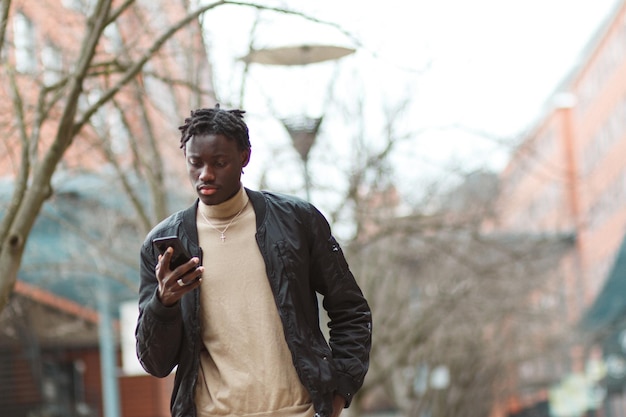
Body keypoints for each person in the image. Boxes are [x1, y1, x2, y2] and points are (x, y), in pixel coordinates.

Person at [135, 104, 372, 417]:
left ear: (244, 157)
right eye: (196, 163)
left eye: (219, 163)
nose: (205, 174)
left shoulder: (296, 222)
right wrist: (162, 305)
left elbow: (350, 309)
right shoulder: (162, 244)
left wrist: (339, 391)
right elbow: (156, 363)